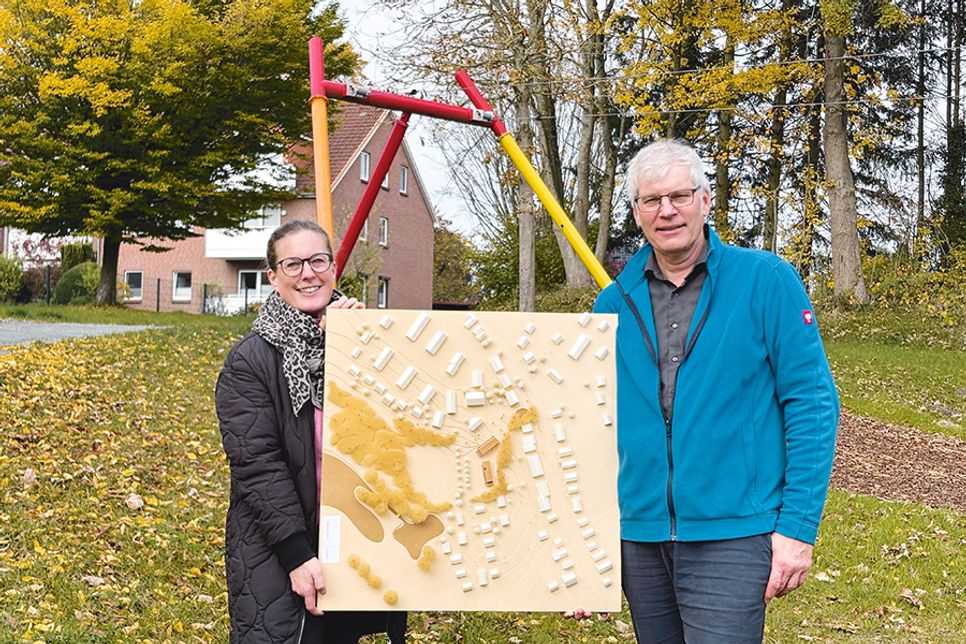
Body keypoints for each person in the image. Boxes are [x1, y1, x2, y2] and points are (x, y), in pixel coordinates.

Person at [587, 139, 839, 643]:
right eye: (652, 200)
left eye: (680, 195)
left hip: (732, 533)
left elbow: (812, 406)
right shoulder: (612, 304)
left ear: (705, 200)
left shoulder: (766, 281)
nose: (667, 211)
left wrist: (796, 530)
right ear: (636, 213)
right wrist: (584, 544)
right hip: (641, 536)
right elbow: (592, 426)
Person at [216, 219, 407, 643]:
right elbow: (257, 465)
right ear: (273, 276)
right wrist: (297, 556)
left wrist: (355, 346)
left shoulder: (363, 343)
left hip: (354, 538)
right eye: (293, 264)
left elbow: (395, 432)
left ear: (334, 268)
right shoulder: (250, 361)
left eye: (318, 260)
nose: (308, 273)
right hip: (280, 547)